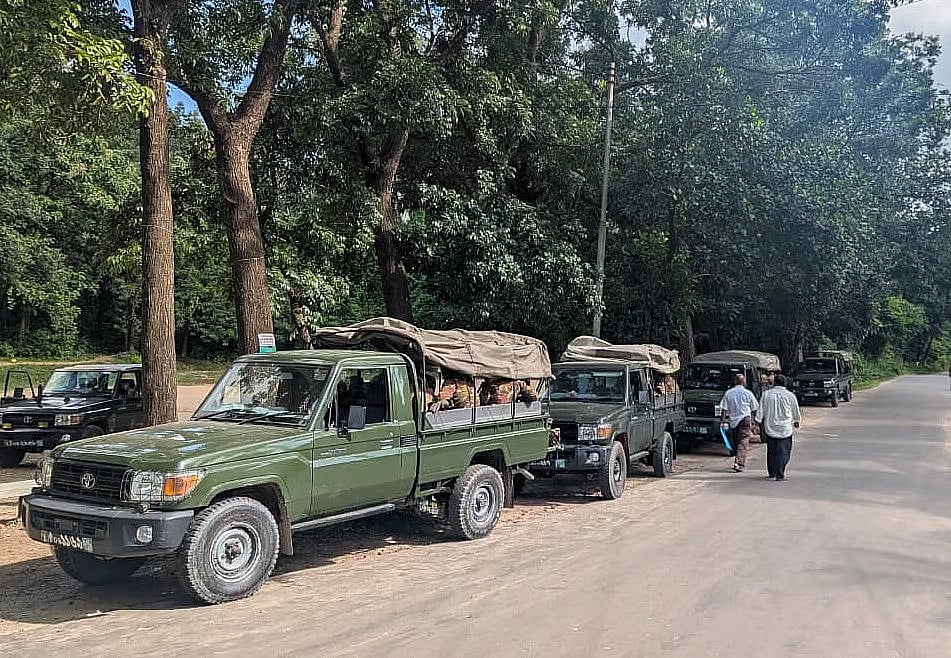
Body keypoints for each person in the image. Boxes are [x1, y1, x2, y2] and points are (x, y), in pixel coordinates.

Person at [755, 374, 801, 481]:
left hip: (770, 427)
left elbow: (760, 410)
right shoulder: (790, 395)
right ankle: (779, 473)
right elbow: (795, 409)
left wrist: (757, 422)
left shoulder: (766, 394)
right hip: (785, 428)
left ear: (774, 383)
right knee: (784, 452)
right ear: (785, 383)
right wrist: (797, 420)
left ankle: (772, 472)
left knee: (771, 451)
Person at [719, 373, 759, 472]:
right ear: (743, 382)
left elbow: (724, 409)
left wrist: (722, 421)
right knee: (743, 441)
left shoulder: (729, 393)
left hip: (733, 421)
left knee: (737, 441)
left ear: (734, 382)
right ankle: (738, 462)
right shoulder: (748, 393)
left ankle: (738, 461)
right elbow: (755, 408)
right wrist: (753, 420)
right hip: (745, 419)